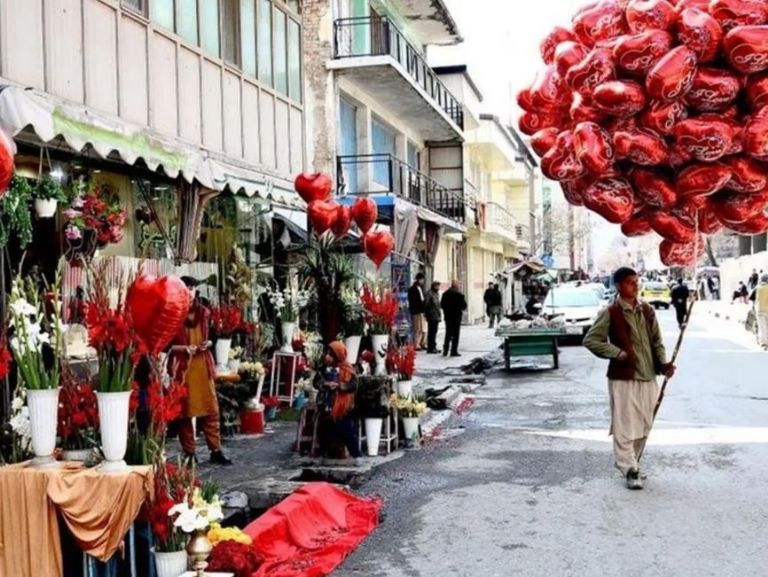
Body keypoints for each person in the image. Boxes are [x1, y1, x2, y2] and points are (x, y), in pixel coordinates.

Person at [584, 267, 675, 490]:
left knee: (645, 424)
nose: (636, 286)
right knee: (625, 424)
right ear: (618, 286)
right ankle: (629, 469)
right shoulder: (610, 312)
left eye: (637, 282)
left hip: (648, 375)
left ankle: (633, 462)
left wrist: (663, 365)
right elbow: (591, 340)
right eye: (630, 282)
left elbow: (657, 342)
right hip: (623, 377)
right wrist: (616, 352)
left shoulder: (647, 310)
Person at [170, 277, 232, 466]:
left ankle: (216, 450)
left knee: (211, 410)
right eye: (186, 287)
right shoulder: (173, 312)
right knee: (185, 413)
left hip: (203, 365)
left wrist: (208, 343)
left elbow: (214, 336)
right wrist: (184, 348)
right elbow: (166, 345)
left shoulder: (204, 312)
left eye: (192, 288)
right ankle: (189, 453)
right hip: (183, 367)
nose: (189, 291)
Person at [314, 341, 361, 460]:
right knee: (324, 429)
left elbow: (353, 385)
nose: (327, 357)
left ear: (338, 356)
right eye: (327, 354)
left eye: (331, 355)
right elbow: (316, 382)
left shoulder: (348, 369)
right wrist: (325, 384)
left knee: (345, 429)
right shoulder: (323, 369)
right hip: (327, 405)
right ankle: (324, 453)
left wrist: (340, 386)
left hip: (342, 407)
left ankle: (356, 455)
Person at [440, 279, 467, 357]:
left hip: (448, 317)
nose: (460, 285)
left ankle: (445, 350)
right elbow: (464, 306)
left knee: (448, 333)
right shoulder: (459, 295)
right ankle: (453, 351)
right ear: (456, 285)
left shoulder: (445, 294)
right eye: (459, 284)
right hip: (456, 317)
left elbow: (442, 305)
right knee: (456, 335)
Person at [408, 272, 427, 350]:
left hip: (422, 311)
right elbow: (413, 301)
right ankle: (417, 344)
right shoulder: (413, 289)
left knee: (424, 328)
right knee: (418, 328)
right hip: (417, 311)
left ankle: (423, 343)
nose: (423, 281)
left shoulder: (421, 288)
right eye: (422, 279)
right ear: (419, 279)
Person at [424, 281, 442, 354]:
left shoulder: (436, 294)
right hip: (431, 315)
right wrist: (428, 313)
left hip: (436, 315)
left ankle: (433, 346)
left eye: (438, 286)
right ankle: (430, 348)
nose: (438, 287)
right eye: (436, 286)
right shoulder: (429, 293)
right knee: (431, 332)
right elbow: (426, 304)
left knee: (434, 332)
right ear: (433, 286)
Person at [751, 274, 768, 350]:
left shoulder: (757, 288)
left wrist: (753, 308)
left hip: (759, 310)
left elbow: (752, 299)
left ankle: (764, 343)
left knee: (762, 327)